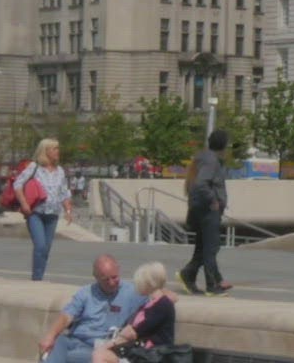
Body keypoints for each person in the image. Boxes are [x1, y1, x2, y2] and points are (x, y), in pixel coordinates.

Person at [37, 255, 146, 363]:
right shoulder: (86, 292)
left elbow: (153, 310)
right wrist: (50, 336)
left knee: (72, 357)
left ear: (118, 270)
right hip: (75, 340)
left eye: (114, 277)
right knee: (56, 343)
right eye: (105, 280)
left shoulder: (133, 293)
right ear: (96, 277)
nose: (111, 283)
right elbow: (67, 316)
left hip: (100, 346)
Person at [178, 129, 232, 295]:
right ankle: (212, 285)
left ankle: (189, 276)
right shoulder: (211, 161)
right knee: (211, 247)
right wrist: (213, 200)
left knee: (203, 248)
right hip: (208, 211)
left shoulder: (205, 158)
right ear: (223, 145)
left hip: (200, 209)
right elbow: (201, 183)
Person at [92, 261, 176, 363]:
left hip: (153, 355)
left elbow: (132, 333)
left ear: (148, 284)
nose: (136, 285)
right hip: (142, 352)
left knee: (100, 354)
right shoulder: (152, 303)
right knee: (100, 354)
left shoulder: (161, 305)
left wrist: (107, 345)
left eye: (138, 282)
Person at [18, 138, 74, 282]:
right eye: (54, 148)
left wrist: (68, 211)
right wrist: (24, 204)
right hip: (35, 213)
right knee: (40, 246)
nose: (57, 151)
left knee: (46, 249)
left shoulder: (60, 171)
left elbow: (64, 193)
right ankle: (36, 279)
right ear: (46, 151)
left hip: (52, 215)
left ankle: (39, 276)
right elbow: (17, 184)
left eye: (57, 148)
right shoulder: (34, 167)